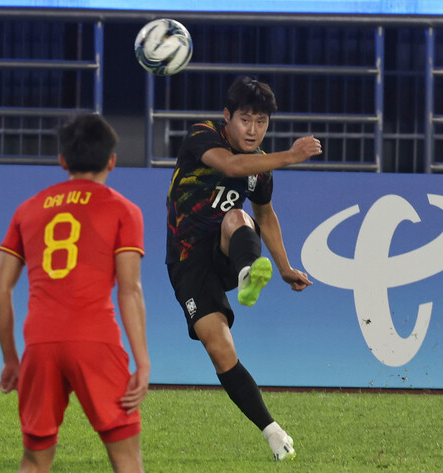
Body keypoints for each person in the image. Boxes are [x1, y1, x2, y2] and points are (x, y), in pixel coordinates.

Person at [165, 76, 322, 461]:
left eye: (262, 121)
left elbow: (265, 217)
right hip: (187, 261)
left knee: (237, 216)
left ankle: (250, 272)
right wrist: (291, 155)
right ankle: (273, 433)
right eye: (246, 119)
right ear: (227, 117)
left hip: (228, 248)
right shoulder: (202, 135)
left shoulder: (261, 169)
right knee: (220, 350)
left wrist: (284, 267)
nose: (253, 130)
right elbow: (231, 165)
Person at [0, 113, 150, 473]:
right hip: (95, 340)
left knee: (34, 459)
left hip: (41, 342)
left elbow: (0, 292)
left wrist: (11, 359)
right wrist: (142, 361)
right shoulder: (124, 210)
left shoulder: (27, 209)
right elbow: (130, 290)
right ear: (111, 160)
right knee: (126, 459)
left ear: (62, 160)